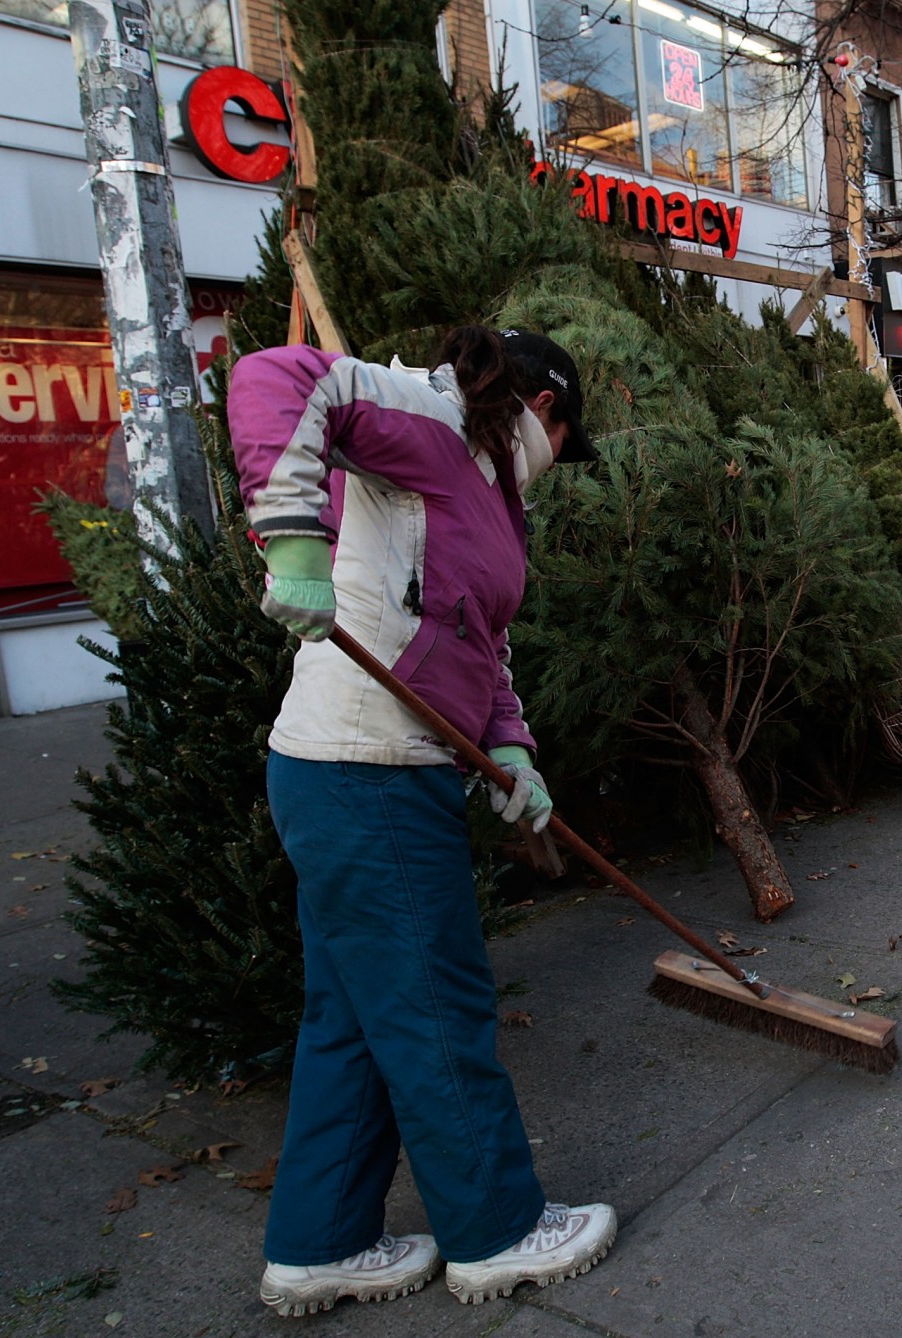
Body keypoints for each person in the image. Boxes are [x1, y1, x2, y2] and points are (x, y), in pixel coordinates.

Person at [228, 327, 615, 1317]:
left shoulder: (487, 494)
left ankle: (321, 1243)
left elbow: (478, 641)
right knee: (436, 1009)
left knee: (356, 1021)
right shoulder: (433, 420)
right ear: (542, 410)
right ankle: (497, 1232)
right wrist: (293, 539)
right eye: (563, 442)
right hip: (367, 774)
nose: (557, 462)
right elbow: (276, 376)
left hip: (355, 775)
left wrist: (511, 750)